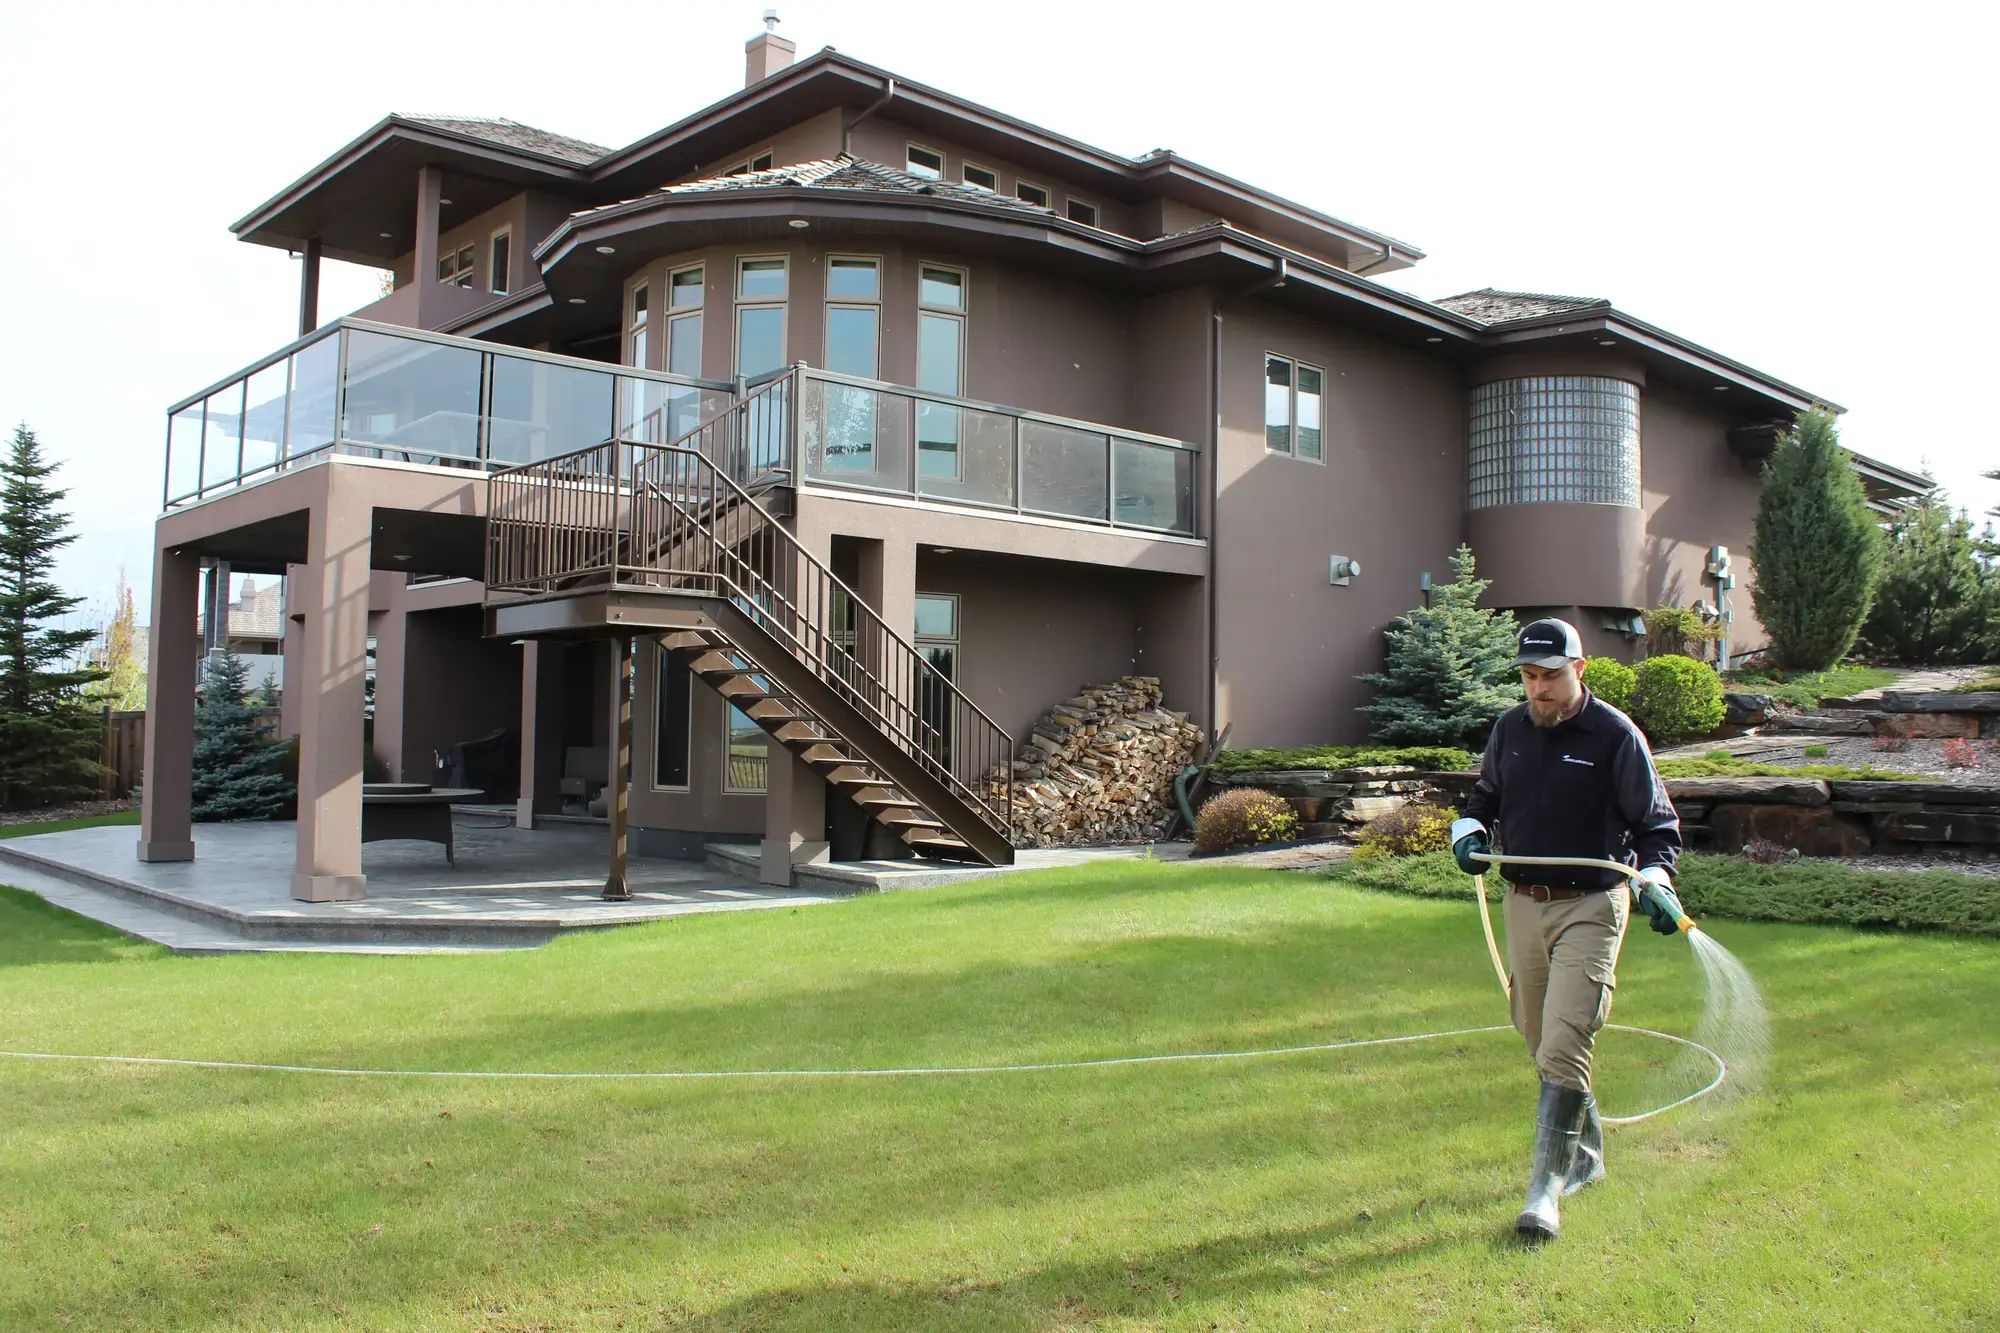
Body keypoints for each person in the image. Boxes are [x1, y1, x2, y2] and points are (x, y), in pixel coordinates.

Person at [1448, 617, 1687, 1242]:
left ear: (1579, 670)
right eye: (1528, 677)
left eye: (1550, 677)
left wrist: (1656, 879)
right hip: (1523, 902)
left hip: (1593, 905)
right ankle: (1584, 1154)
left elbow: (1658, 828)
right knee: (1535, 1034)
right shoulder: (1509, 730)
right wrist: (1468, 830)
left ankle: (1544, 1192)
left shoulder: (1615, 736)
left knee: (1565, 1038)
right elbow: (1485, 799)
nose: (1538, 690)